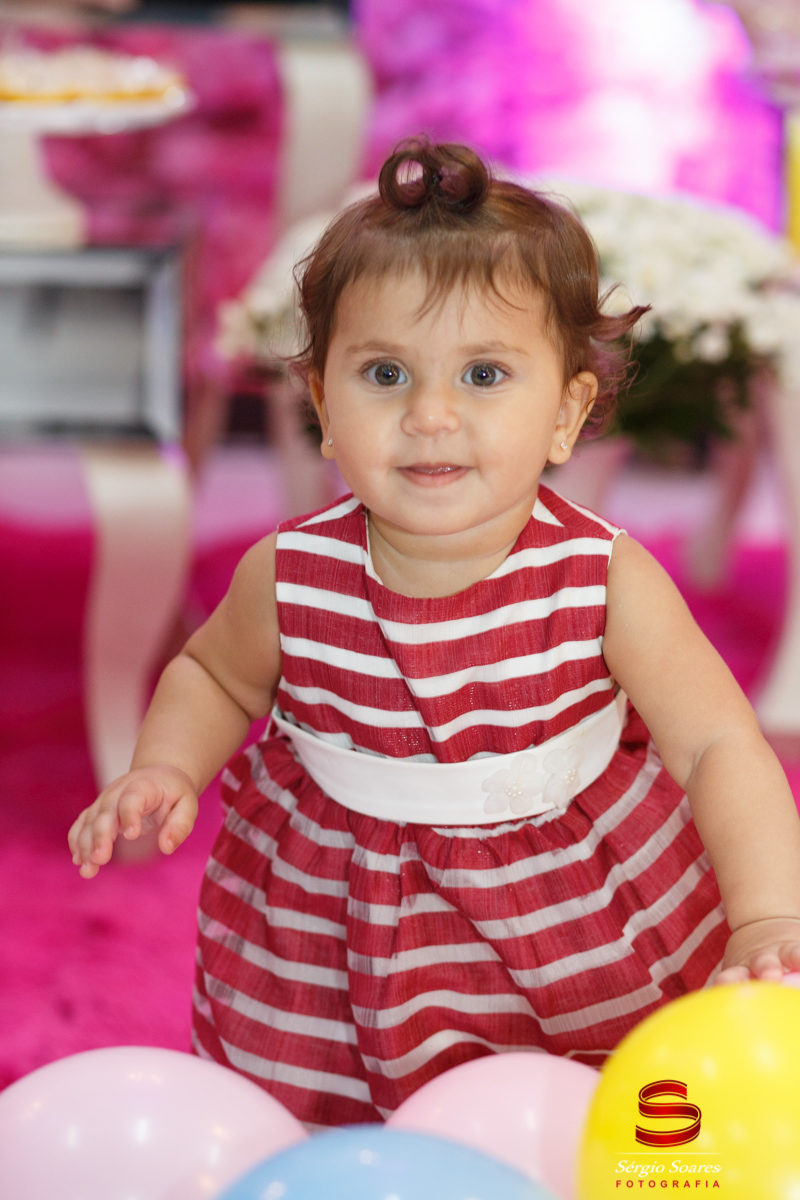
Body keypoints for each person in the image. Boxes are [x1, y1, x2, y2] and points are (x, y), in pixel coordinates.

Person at [69, 139, 800, 1128]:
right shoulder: (290, 572)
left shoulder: (602, 576)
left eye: (484, 374)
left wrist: (764, 912)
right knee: (326, 1115)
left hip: (573, 912)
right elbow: (213, 676)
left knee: (604, 1109)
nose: (429, 415)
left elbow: (716, 743)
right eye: (384, 373)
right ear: (323, 406)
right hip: (341, 916)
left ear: (566, 414)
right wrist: (167, 765)